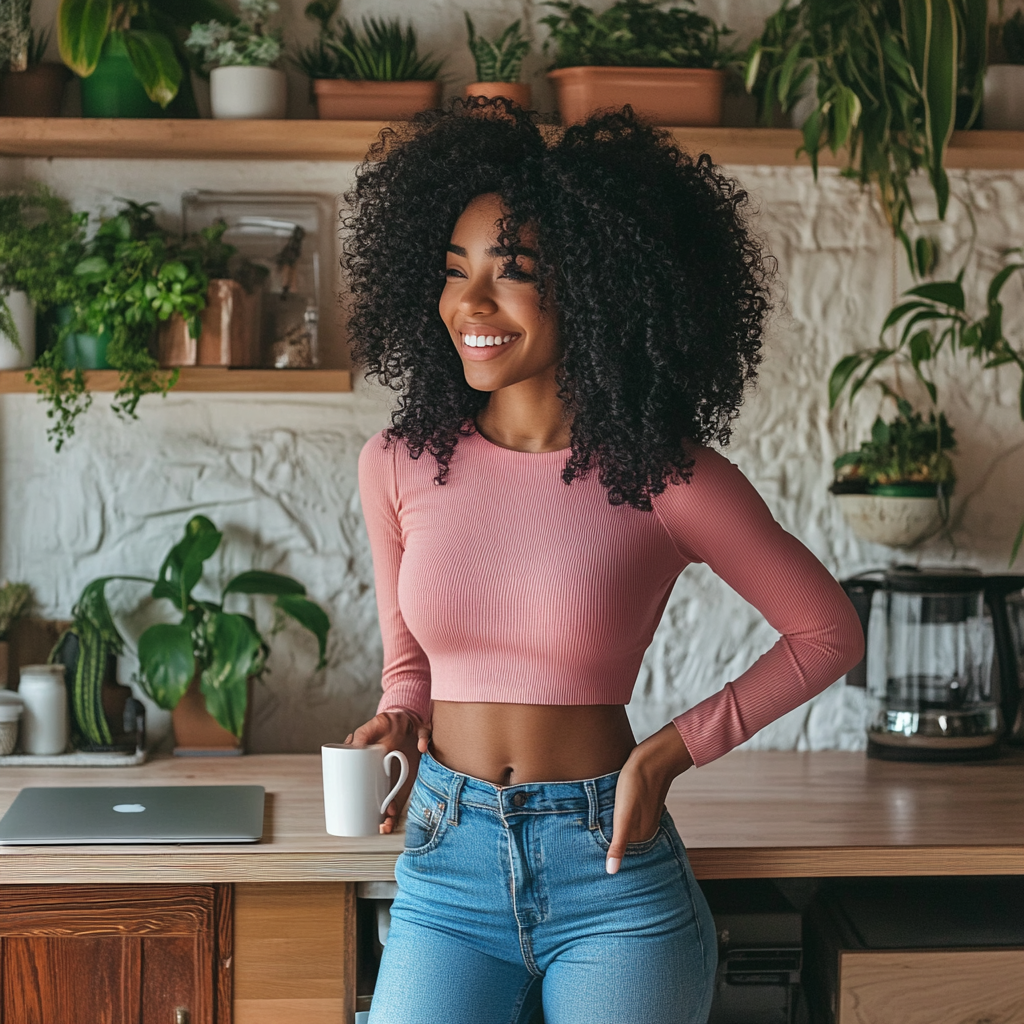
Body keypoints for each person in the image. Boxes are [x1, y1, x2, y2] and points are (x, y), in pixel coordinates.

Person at [344, 100, 864, 1024]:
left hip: (610, 870)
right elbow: (411, 668)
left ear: (593, 288)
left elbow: (826, 631)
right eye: (455, 272)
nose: (470, 305)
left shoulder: (666, 476)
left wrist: (672, 753)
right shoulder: (398, 463)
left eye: (513, 276)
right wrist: (397, 721)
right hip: (447, 859)